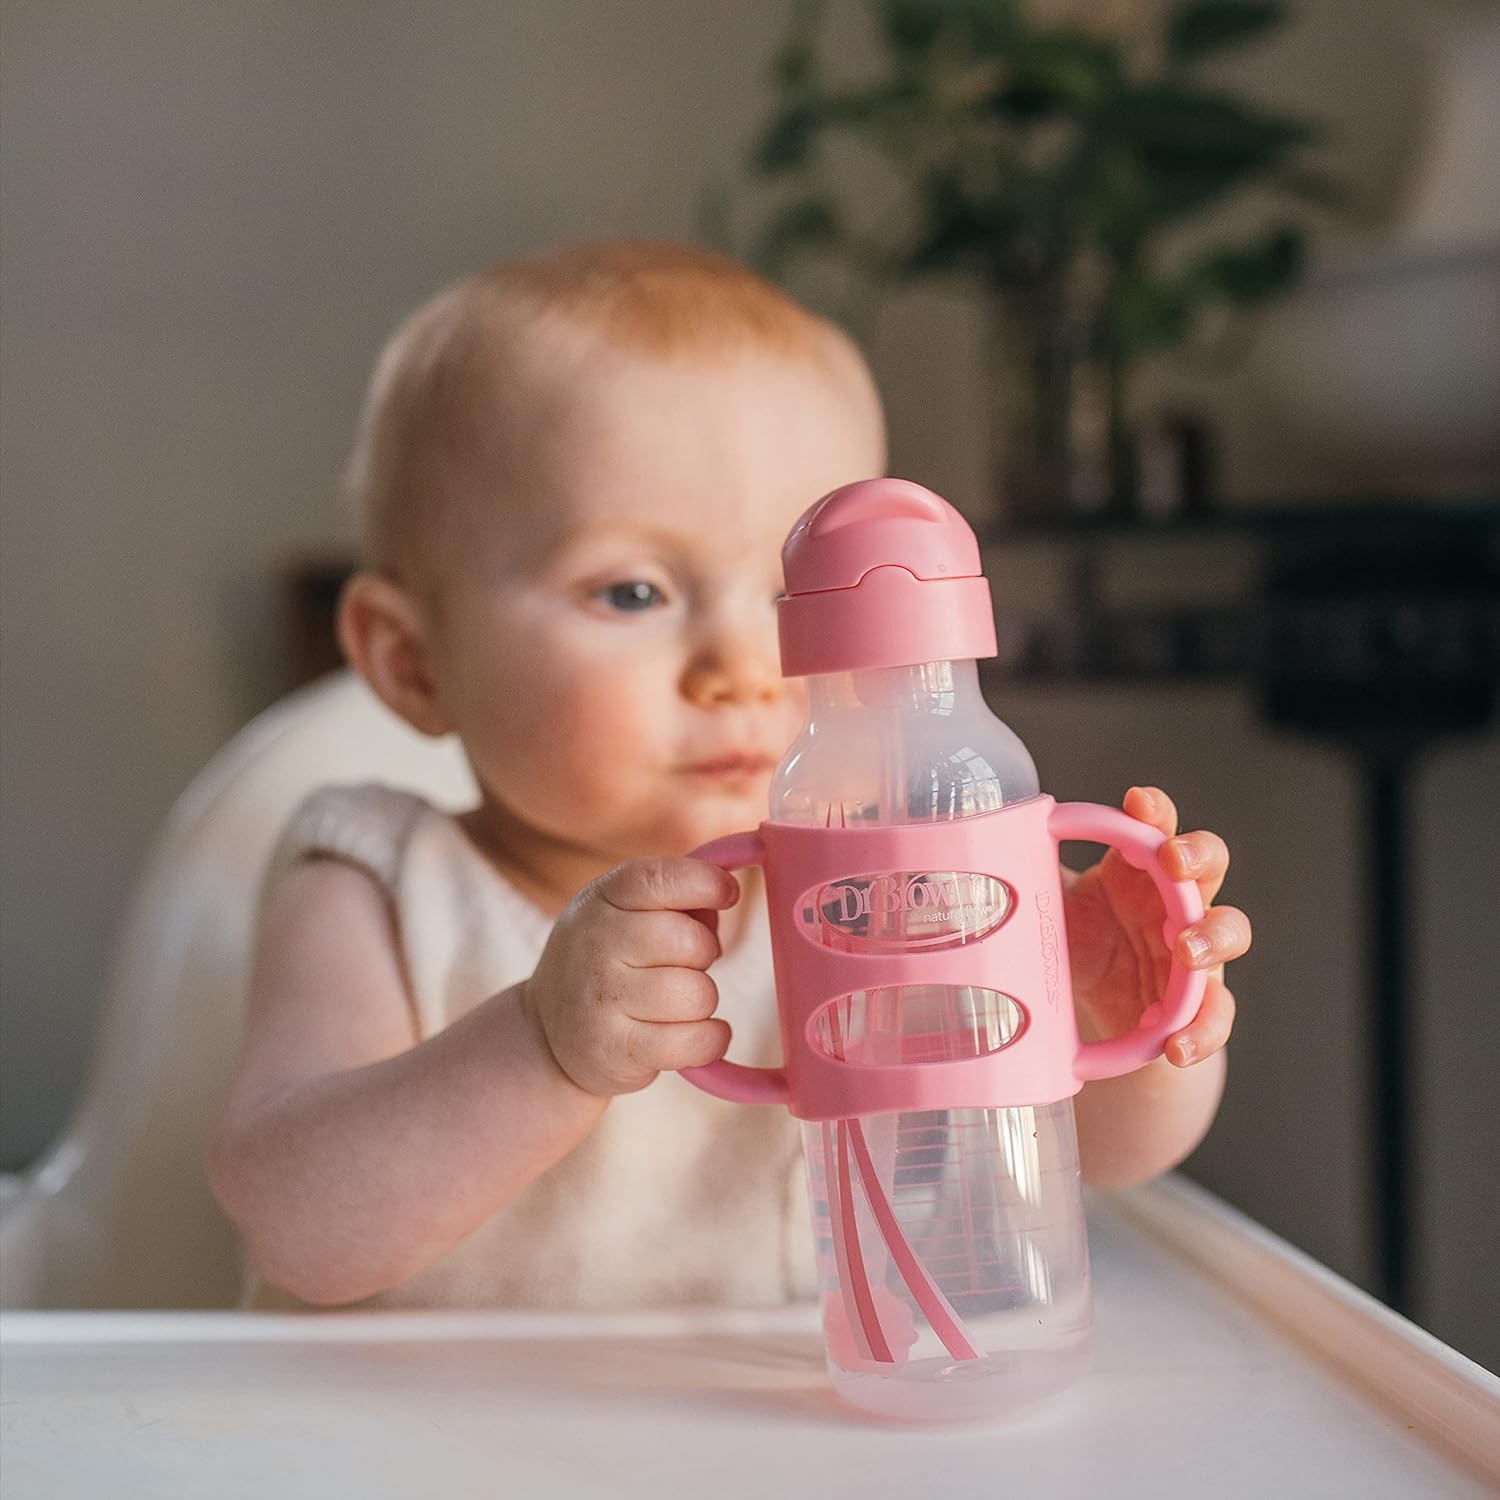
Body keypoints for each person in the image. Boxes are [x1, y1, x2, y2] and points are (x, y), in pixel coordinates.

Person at [207, 241, 1252, 1311]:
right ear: (413, 661)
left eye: (795, 595)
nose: (745, 670)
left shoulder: (897, 892)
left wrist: (1096, 1003)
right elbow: (299, 1231)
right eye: (633, 593)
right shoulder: (377, 881)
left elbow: (1106, 1158)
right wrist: (540, 1045)